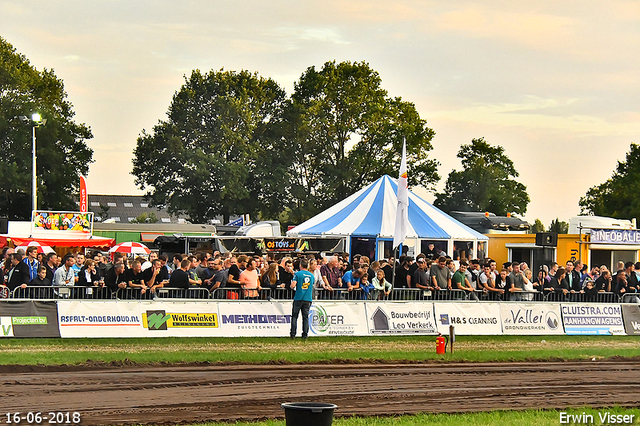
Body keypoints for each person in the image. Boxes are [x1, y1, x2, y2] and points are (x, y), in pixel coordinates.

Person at [289, 258, 314, 340]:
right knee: (305, 317)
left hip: (299, 297)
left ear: (300, 265)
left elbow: (293, 285)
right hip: (308, 298)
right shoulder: (311, 275)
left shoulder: (297, 274)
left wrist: (291, 286)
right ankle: (305, 334)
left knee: (295, 317)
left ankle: (293, 334)